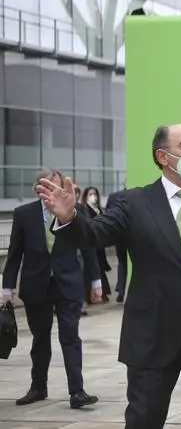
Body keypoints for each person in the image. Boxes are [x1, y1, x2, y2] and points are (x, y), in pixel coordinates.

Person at [34, 124, 181, 429]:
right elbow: (95, 234)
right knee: (144, 420)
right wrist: (70, 217)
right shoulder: (134, 203)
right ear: (162, 156)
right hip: (153, 337)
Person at [1, 168, 101, 409]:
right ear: (38, 188)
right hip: (36, 285)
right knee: (40, 338)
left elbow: (88, 246)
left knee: (70, 336)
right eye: (47, 185)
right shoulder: (24, 214)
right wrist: (7, 288)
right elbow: (14, 253)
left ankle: (77, 392)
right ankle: (38, 387)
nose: (52, 190)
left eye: (56, 185)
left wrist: (95, 281)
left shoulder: (76, 211)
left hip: (68, 284)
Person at [80, 186, 112, 303]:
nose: (93, 197)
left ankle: (103, 292)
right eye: (90, 194)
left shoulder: (98, 209)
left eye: (94, 194)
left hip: (100, 244)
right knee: (93, 268)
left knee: (100, 268)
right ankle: (91, 294)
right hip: (92, 243)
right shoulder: (85, 209)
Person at [106, 184, 128, 303]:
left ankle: (121, 288)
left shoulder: (114, 196)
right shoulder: (138, 195)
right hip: (134, 235)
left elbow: (108, 214)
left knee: (122, 262)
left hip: (120, 235)